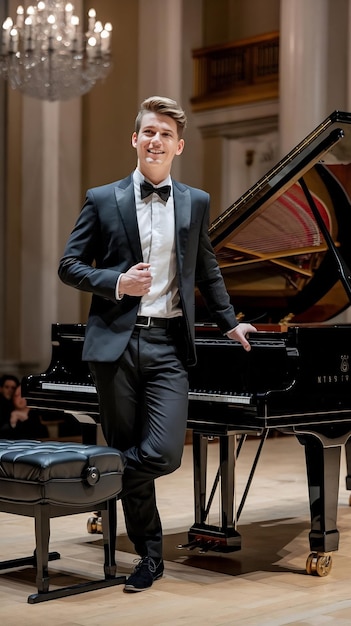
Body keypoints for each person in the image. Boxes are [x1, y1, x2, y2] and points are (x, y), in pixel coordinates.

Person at [58, 95, 257, 592]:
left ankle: (94, 477)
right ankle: (149, 557)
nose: (156, 140)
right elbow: (69, 266)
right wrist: (116, 283)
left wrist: (230, 321)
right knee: (128, 446)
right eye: (149, 131)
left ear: (179, 146)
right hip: (115, 345)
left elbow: (207, 269)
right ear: (135, 138)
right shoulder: (102, 198)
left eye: (166, 134)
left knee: (164, 452)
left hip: (169, 345)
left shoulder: (195, 201)